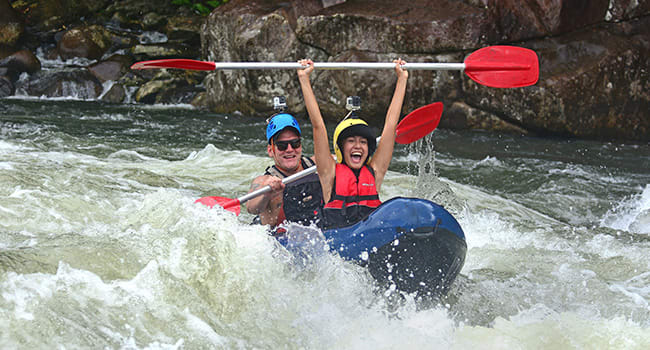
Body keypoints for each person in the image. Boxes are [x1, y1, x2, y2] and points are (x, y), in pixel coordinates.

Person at [297, 58, 409, 229]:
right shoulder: (329, 173)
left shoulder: (375, 172)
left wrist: (402, 79)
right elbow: (318, 126)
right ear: (340, 148)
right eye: (351, 141)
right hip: (337, 245)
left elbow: (390, 126)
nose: (358, 146)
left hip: (369, 242)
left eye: (363, 142)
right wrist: (304, 79)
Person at [245, 111, 323, 228]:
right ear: (271, 150)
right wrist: (266, 192)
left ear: (301, 146)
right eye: (282, 145)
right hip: (281, 238)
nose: (290, 149)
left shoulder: (317, 164)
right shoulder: (264, 181)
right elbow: (251, 207)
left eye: (295, 143)